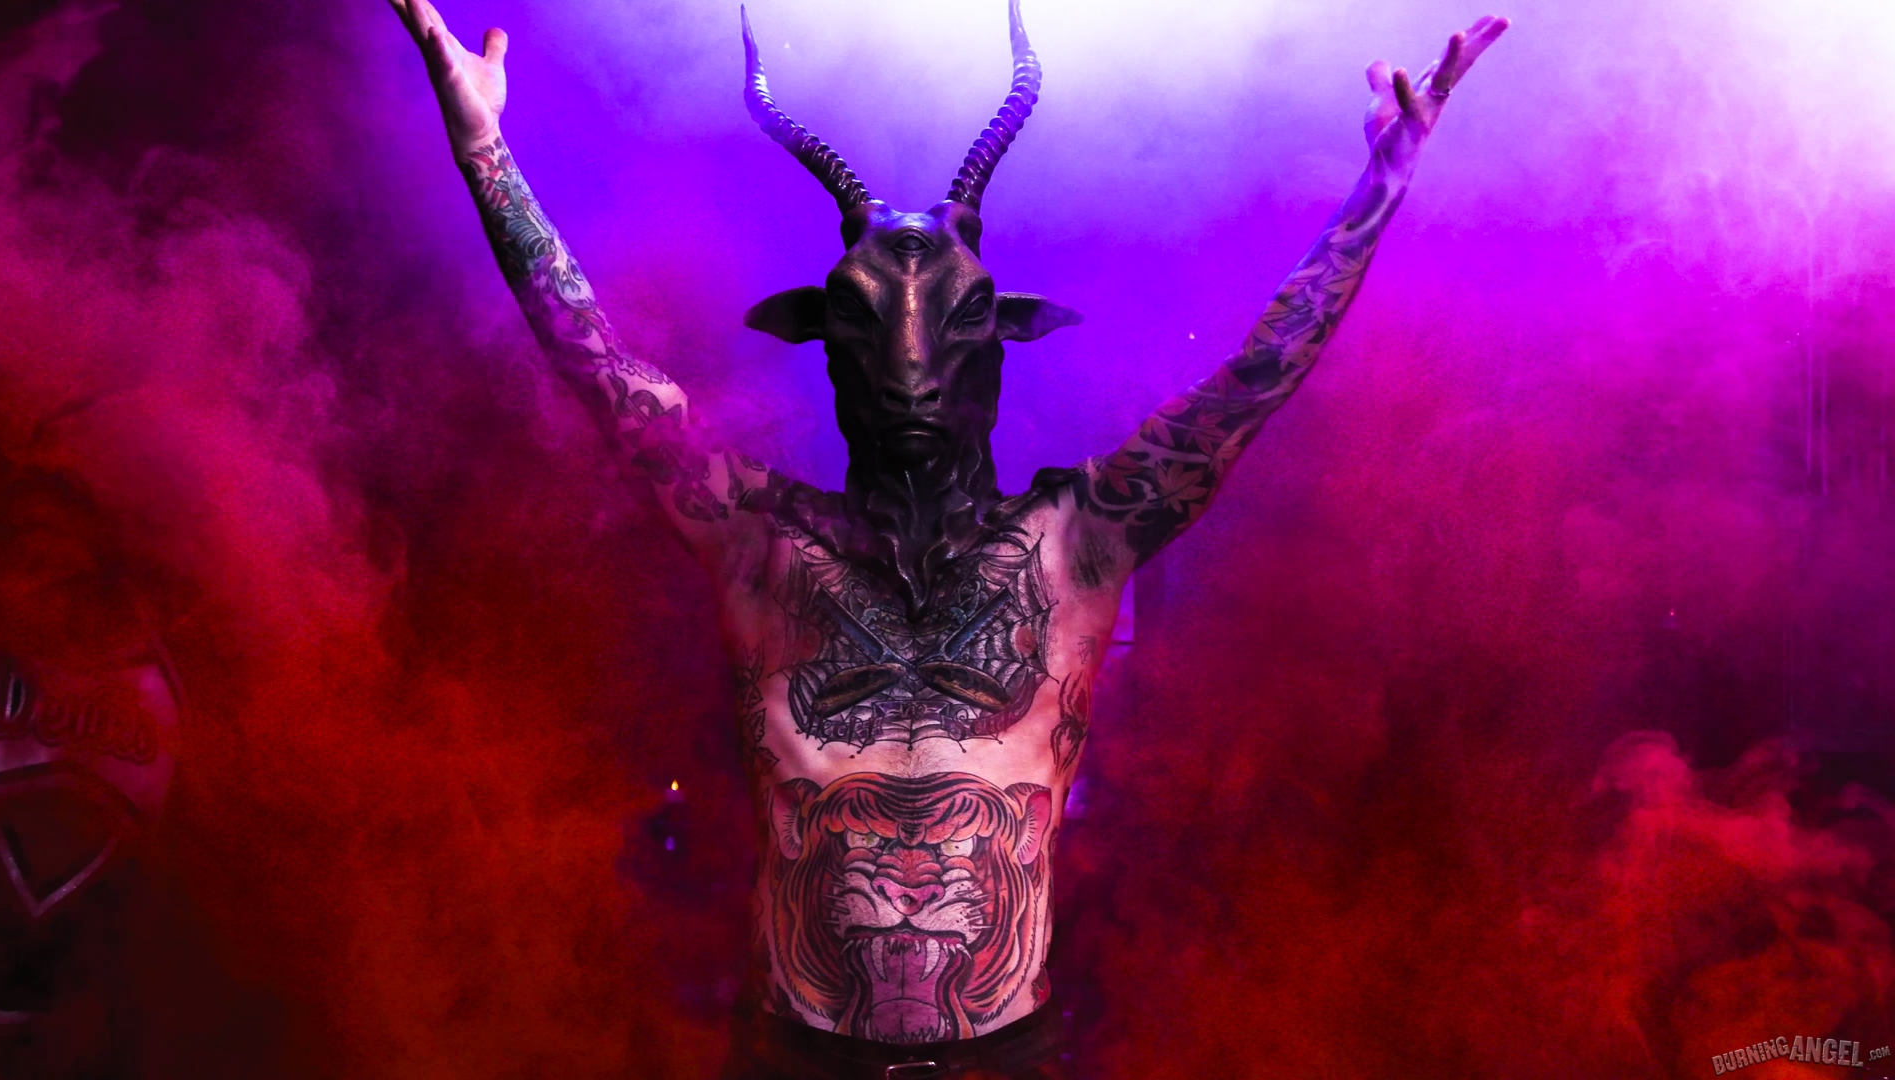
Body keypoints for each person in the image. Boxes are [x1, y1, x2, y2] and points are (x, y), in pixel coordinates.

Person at [385, 1, 1505, 1075]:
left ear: (1000, 341)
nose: (910, 365)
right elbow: (597, 365)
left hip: (1003, 1060)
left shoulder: (1076, 542)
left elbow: (1251, 383)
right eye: (868, 326)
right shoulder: (761, 542)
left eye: (950, 322)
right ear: (828, 343)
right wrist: (484, 148)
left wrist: (1382, 182)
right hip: (793, 1060)